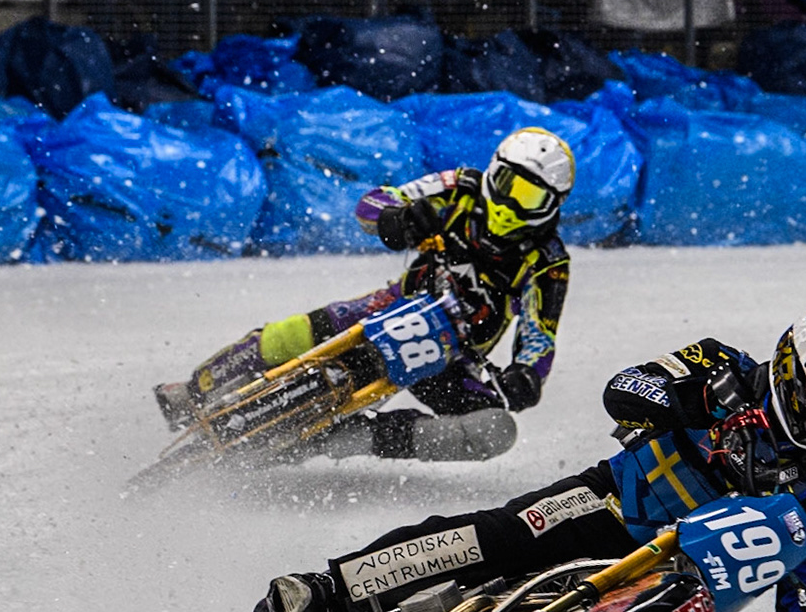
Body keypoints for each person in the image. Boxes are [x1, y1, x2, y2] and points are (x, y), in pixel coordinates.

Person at [260, 299, 806, 612]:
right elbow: (623, 387)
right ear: (798, 358)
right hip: (607, 504)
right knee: (502, 535)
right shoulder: (720, 364)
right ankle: (328, 589)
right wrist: (689, 401)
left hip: (671, 583)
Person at [154, 128, 576, 462]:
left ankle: (351, 439)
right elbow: (373, 203)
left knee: (495, 431)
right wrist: (400, 218)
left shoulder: (548, 262)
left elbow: (540, 335)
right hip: (392, 306)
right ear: (491, 171)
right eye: (505, 184)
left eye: (528, 196)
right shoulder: (459, 186)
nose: (509, 204)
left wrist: (526, 378)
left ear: (552, 204)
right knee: (294, 333)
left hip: (452, 355)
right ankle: (194, 390)